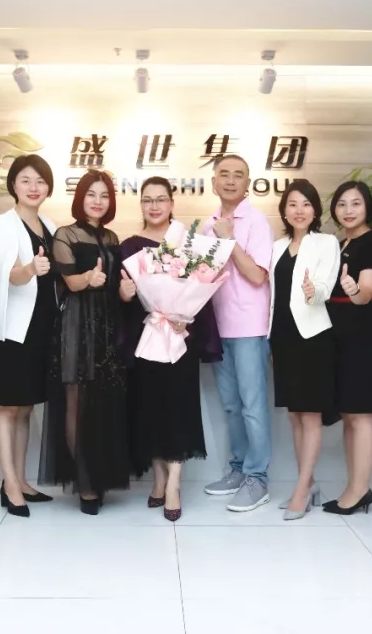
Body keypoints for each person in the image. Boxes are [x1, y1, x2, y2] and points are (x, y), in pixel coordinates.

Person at [120, 177, 220, 521]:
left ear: (172, 203)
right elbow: (124, 297)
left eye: (161, 199)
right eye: (147, 200)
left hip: (180, 339)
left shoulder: (188, 244)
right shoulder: (129, 246)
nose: (154, 206)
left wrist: (185, 319)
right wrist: (124, 294)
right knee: (150, 408)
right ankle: (159, 479)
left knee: (179, 409)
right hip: (147, 337)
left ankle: (174, 483)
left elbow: (201, 292)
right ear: (141, 204)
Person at [40, 169, 130, 515]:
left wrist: (124, 291)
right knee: (75, 402)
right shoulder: (65, 234)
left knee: (103, 402)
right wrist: (88, 278)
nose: (98, 201)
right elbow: (70, 283)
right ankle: (85, 482)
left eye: (104, 195)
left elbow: (116, 285)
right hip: (76, 325)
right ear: (80, 197)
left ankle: (100, 474)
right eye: (91, 194)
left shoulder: (111, 237)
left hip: (107, 326)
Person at [0, 154, 57, 517]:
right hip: (13, 330)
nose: (33, 187)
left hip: (43, 326)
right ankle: (9, 484)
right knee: (8, 406)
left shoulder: (50, 225)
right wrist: (29, 269)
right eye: (26, 180)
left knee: (27, 407)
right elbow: (5, 275)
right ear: (13, 184)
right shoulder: (1, 223)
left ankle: (22, 480)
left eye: (40, 181)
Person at [201, 155, 275, 513]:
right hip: (218, 328)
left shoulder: (257, 221)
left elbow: (258, 275)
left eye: (238, 175)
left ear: (248, 184)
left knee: (252, 407)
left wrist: (229, 241)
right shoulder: (207, 225)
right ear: (214, 182)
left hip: (249, 327)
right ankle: (239, 469)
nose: (230, 181)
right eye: (224, 175)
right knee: (231, 406)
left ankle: (257, 479)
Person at [268, 180, 339, 521]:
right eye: (293, 204)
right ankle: (308, 484)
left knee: (310, 415)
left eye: (306, 204)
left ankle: (301, 489)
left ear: (315, 210)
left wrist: (314, 292)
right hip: (282, 336)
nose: (299, 210)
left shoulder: (326, 242)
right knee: (295, 414)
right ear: (284, 210)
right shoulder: (277, 246)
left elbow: (326, 284)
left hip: (312, 336)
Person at [322, 181, 372, 516]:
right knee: (349, 415)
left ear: (367, 208)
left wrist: (354, 288)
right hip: (336, 335)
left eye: (356, 203)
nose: (348, 210)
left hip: (362, 336)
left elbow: (366, 293)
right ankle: (354, 486)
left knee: (360, 415)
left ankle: (360, 490)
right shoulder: (336, 243)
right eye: (342, 204)